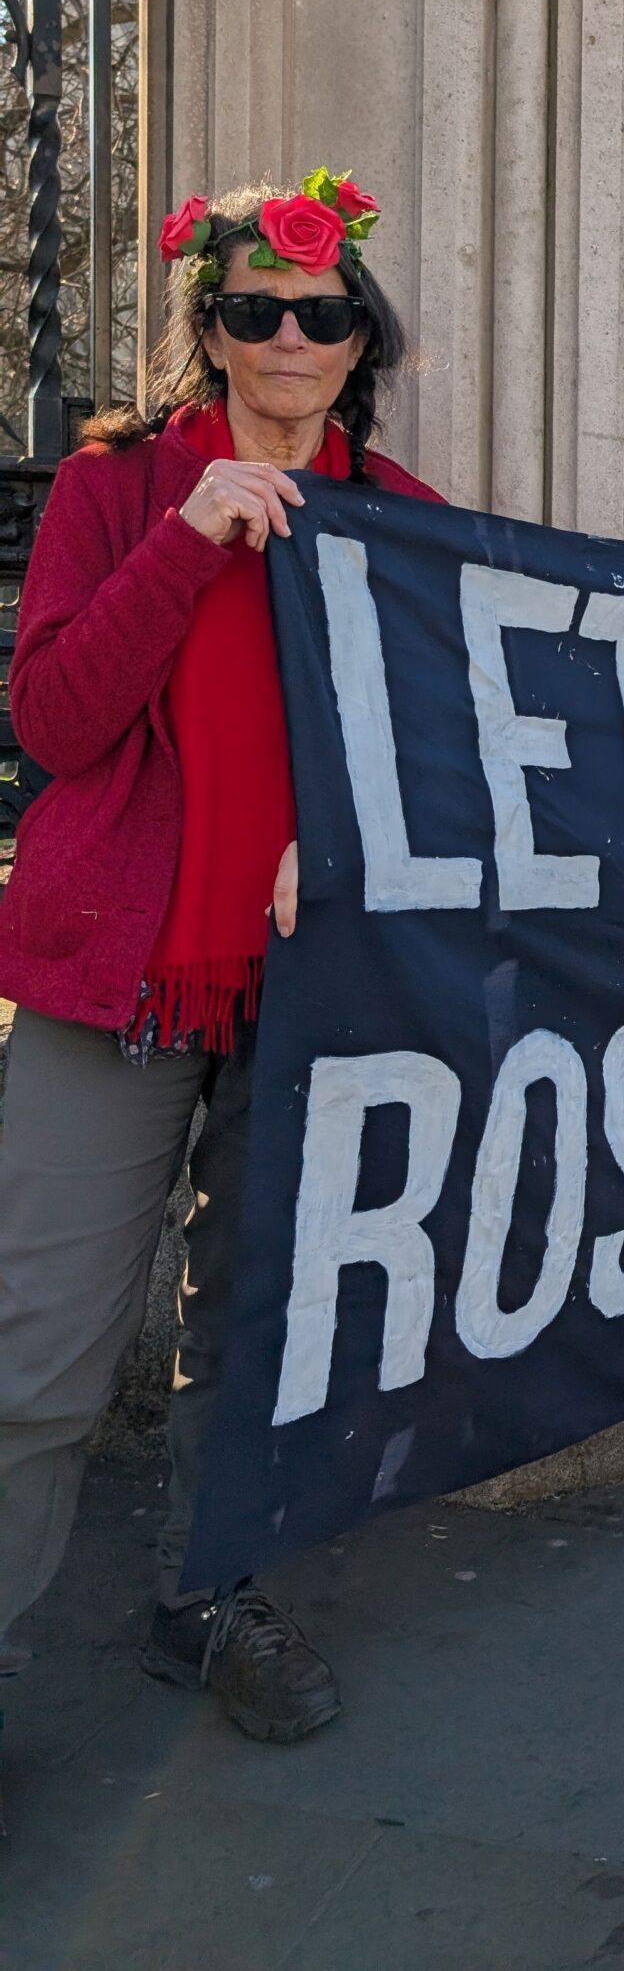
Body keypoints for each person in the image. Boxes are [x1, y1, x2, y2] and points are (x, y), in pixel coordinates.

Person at [0, 173, 435, 1738]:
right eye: (257, 312)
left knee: (255, 1320)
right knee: (34, 1343)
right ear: (213, 329)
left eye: (324, 314)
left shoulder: (405, 521)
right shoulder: (117, 490)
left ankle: (205, 1595)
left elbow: (467, 756)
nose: (293, 338)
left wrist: (357, 835)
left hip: (312, 990)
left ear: (358, 337)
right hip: (111, 972)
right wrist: (185, 544)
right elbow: (50, 722)